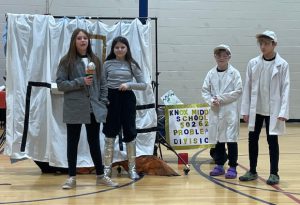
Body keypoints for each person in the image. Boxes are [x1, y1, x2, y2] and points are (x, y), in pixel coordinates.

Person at [56, 28, 118, 189]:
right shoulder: (66, 61)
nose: (83, 41)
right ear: (74, 41)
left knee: (94, 143)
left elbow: (103, 83)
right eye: (79, 38)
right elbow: (61, 84)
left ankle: (100, 176)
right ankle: (71, 177)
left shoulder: (96, 60)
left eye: (85, 38)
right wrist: (80, 81)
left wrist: (103, 102)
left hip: (93, 108)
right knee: (72, 142)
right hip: (74, 107)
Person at [239, 30, 290, 185]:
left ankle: (274, 173)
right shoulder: (253, 63)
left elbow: (286, 89)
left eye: (266, 43)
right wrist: (245, 110)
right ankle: (252, 171)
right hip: (256, 109)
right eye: (261, 43)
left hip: (272, 111)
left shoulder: (282, 65)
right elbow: (247, 87)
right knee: (252, 140)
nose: (263, 46)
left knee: (272, 141)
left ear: (274, 44)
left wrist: (283, 111)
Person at [102, 36, 147, 180]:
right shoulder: (107, 64)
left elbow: (144, 85)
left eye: (122, 47)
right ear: (113, 49)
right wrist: (103, 100)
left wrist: (129, 85)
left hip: (127, 99)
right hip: (111, 99)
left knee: (130, 132)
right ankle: (106, 169)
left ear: (127, 49)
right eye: (117, 47)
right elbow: (102, 84)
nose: (120, 50)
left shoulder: (132, 64)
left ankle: (132, 169)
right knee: (110, 133)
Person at [202, 44, 242, 179]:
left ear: (229, 56)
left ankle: (232, 167)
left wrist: (220, 98)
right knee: (218, 139)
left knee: (231, 139)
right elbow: (205, 91)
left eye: (224, 55)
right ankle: (219, 165)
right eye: (218, 55)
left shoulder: (234, 73)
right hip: (215, 111)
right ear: (215, 57)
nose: (221, 57)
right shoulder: (210, 73)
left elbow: (238, 91)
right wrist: (212, 101)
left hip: (229, 111)